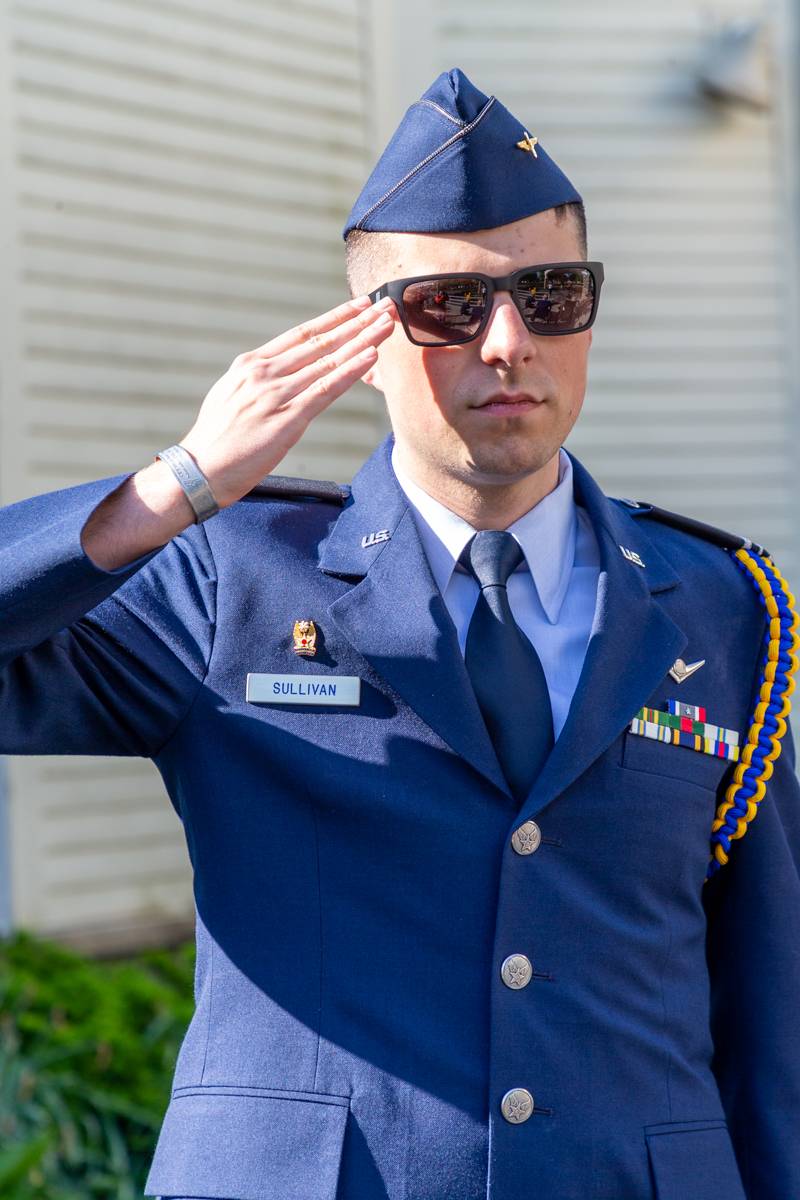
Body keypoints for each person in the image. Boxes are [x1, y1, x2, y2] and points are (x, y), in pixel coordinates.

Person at [0, 67, 798, 1200]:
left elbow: (767, 994)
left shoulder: (718, 602)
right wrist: (169, 491)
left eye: (553, 294)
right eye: (448, 306)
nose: (508, 341)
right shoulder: (231, 578)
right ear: (363, 342)